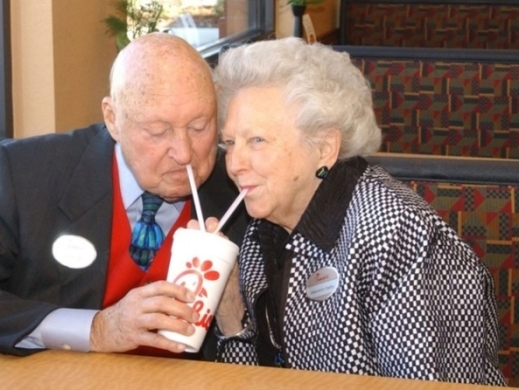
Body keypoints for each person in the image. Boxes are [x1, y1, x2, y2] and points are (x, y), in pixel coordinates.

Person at [0, 33, 247, 359]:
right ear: (113, 119)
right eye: (158, 132)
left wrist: (233, 318)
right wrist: (95, 329)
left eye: (200, 126)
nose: (185, 153)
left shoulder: (242, 188)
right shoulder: (31, 176)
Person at [210, 37, 506, 385]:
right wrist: (230, 309)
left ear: (324, 148)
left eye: (257, 140)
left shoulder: (399, 235)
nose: (235, 164)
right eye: (230, 143)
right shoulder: (264, 229)